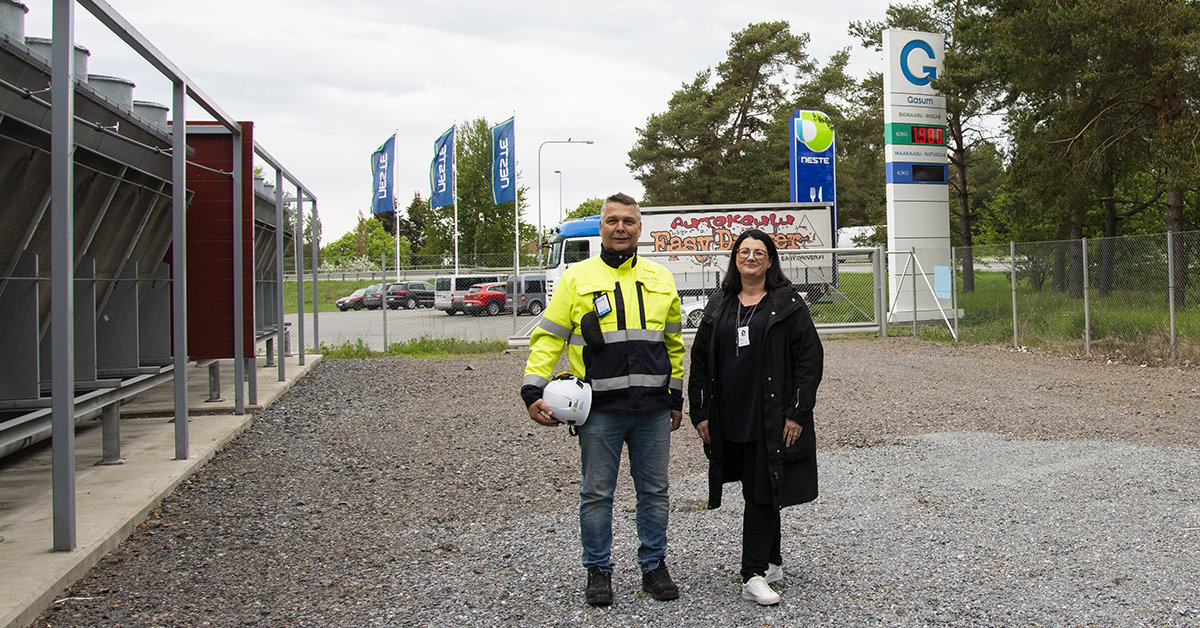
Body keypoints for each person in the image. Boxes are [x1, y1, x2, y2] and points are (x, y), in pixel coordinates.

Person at [521, 193, 686, 606]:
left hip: (651, 409)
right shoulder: (575, 279)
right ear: (601, 227)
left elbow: (674, 345)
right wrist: (531, 389)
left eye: (628, 221)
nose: (620, 227)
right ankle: (598, 571)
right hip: (599, 412)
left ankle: (654, 566)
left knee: (654, 491)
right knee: (597, 493)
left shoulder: (661, 278)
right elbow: (548, 338)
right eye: (613, 220)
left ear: (639, 228)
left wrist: (676, 397)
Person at [687, 228, 824, 606]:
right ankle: (772, 560)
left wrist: (797, 413)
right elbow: (699, 361)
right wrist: (700, 412)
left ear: (770, 260)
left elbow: (809, 362)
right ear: (735, 259)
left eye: (759, 252)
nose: (751, 258)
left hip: (770, 415)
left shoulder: (788, 303)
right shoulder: (719, 304)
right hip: (729, 416)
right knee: (758, 485)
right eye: (744, 252)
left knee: (763, 489)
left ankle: (752, 574)